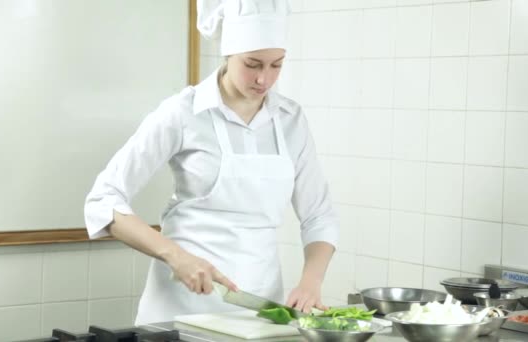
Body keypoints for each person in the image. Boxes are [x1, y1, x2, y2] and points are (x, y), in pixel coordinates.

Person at [84, 0, 339, 326]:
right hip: (181, 310)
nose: (264, 79)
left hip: (260, 314)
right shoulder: (182, 113)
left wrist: (311, 281)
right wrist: (176, 257)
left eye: (276, 65)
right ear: (228, 53)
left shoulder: (291, 120)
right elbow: (103, 201)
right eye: (253, 64)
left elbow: (319, 216)